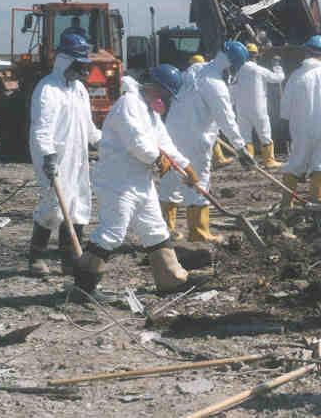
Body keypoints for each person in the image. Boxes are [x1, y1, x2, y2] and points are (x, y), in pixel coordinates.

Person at [73, 66, 201, 295]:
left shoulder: (150, 112)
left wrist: (185, 166)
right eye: (164, 93)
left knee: (156, 230)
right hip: (117, 181)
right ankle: (83, 287)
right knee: (112, 232)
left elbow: (165, 144)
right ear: (153, 87)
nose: (165, 98)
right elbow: (137, 144)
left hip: (140, 180)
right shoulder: (129, 104)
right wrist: (157, 157)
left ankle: (171, 279)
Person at [159, 42, 255, 243]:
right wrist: (240, 149)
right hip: (196, 141)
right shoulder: (216, 85)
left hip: (171, 136)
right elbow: (227, 120)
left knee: (170, 183)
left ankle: (165, 231)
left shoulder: (195, 69)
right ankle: (199, 234)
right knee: (198, 184)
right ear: (232, 65)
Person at [28, 32, 102, 275]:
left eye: (85, 67)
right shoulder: (48, 89)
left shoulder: (79, 89)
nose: (84, 72)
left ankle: (69, 261)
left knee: (79, 203)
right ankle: (36, 257)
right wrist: (48, 156)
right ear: (65, 61)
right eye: (79, 66)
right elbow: (42, 128)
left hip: (78, 157)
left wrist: (103, 142)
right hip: (54, 159)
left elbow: (88, 125)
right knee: (54, 207)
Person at [280, 35, 321, 207]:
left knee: (295, 164)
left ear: (306, 52)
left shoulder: (296, 77)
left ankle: (286, 204)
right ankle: (317, 201)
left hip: (302, 130)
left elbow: (285, 109)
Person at [233, 42, 285, 168]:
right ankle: (269, 161)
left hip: (241, 109)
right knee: (264, 134)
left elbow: (232, 89)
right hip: (258, 109)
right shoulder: (259, 70)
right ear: (256, 56)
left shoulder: (238, 71)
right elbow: (277, 78)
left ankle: (248, 164)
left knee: (245, 137)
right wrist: (277, 66)